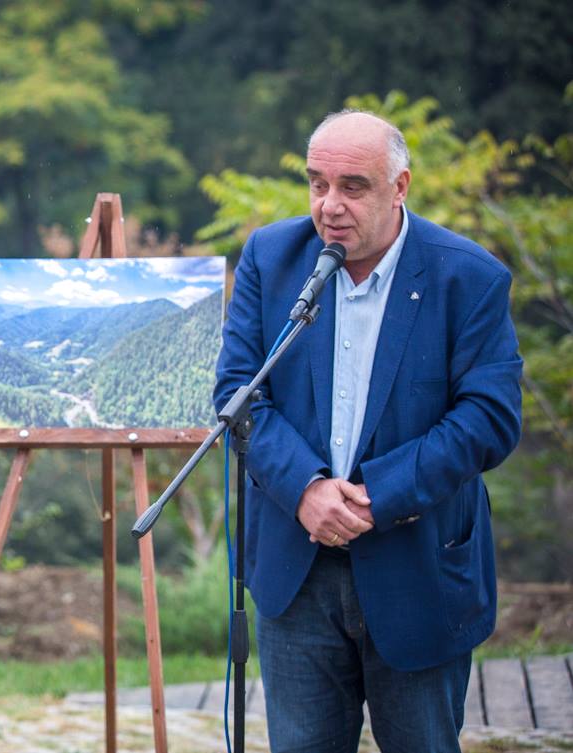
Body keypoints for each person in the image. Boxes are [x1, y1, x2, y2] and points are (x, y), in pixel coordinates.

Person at [214, 111, 522, 752]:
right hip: (296, 569)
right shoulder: (272, 259)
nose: (330, 205)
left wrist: (376, 495)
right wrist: (306, 490)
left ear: (399, 186)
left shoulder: (469, 277)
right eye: (317, 184)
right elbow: (239, 393)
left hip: (419, 567)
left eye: (352, 187)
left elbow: (488, 418)